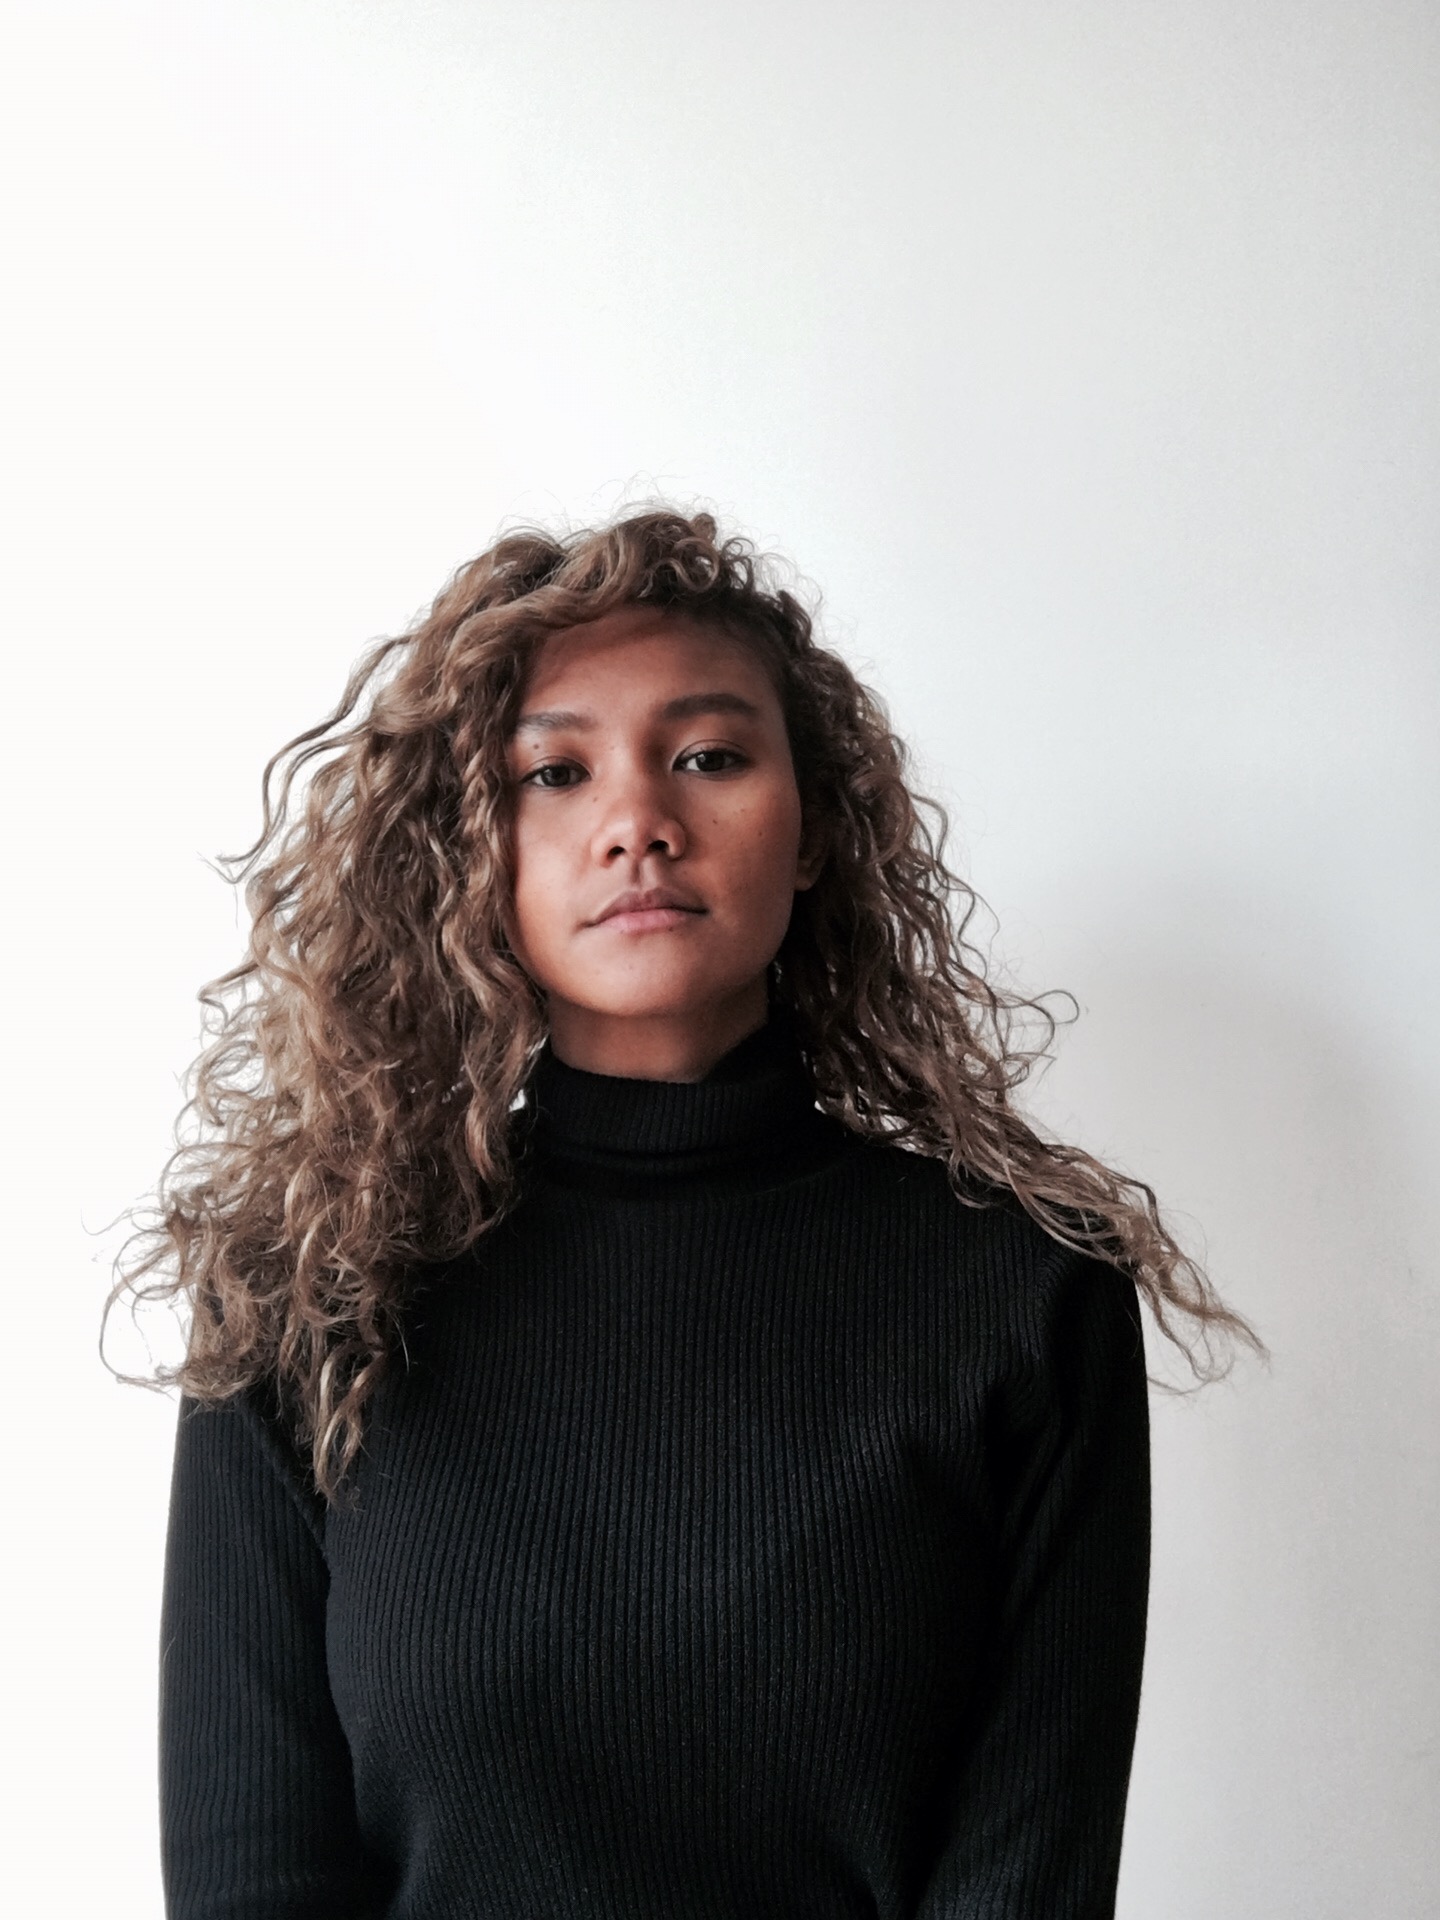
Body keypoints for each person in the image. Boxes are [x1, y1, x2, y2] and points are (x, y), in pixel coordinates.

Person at [115, 506, 1260, 1919]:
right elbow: (254, 1877)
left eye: (710, 756)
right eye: (555, 772)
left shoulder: (1024, 1293)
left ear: (815, 828)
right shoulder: (307, 1298)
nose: (638, 825)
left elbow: (1027, 1875)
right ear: (474, 850)